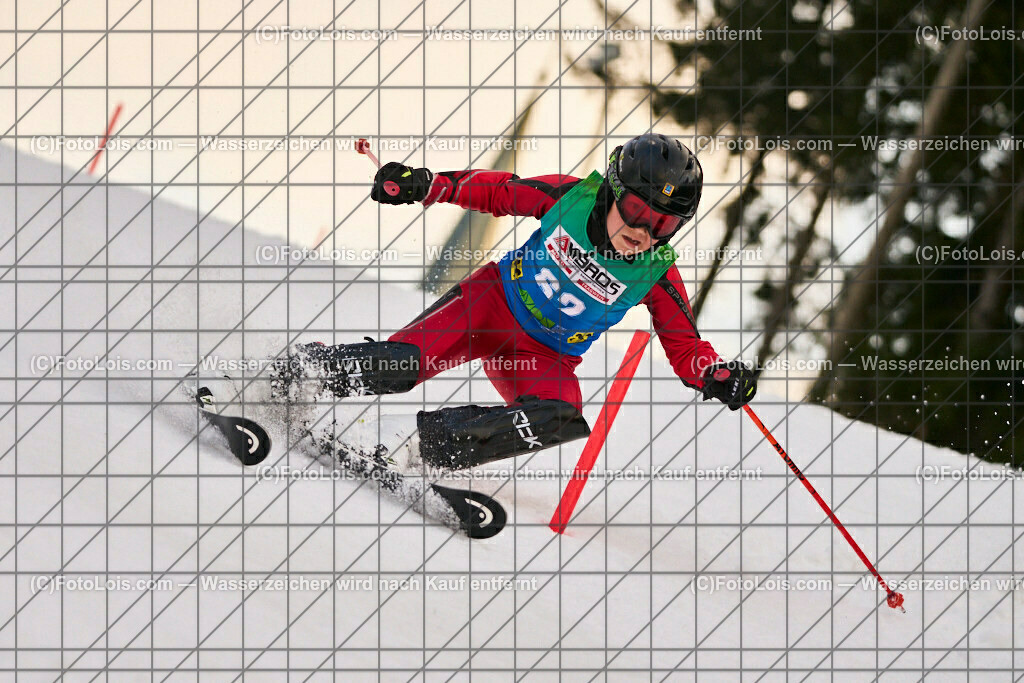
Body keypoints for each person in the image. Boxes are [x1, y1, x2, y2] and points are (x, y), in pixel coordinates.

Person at [275, 133, 757, 470]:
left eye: (664, 225)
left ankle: (407, 445)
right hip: (488, 306)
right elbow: (501, 192)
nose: (643, 231)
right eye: (636, 210)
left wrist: (714, 375)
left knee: (559, 417)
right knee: (402, 364)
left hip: (539, 357)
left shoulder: (656, 273)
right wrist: (431, 185)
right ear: (613, 191)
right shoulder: (571, 199)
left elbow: (685, 345)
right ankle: (294, 374)